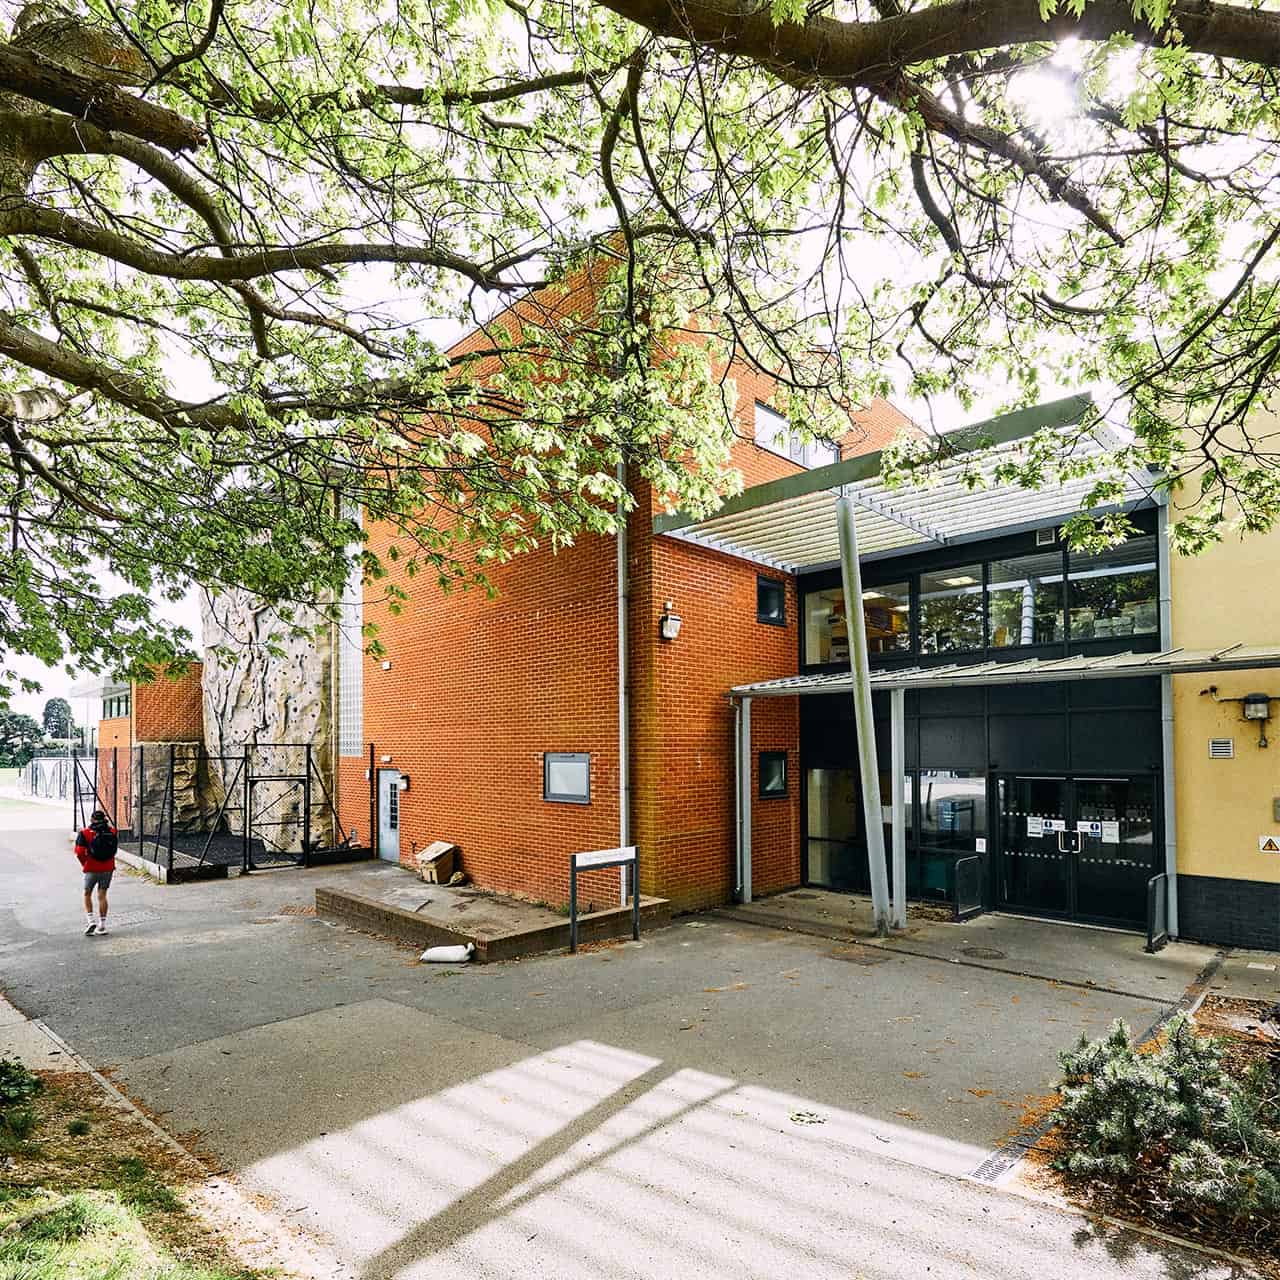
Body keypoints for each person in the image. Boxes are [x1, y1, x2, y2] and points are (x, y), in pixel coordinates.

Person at [75, 809, 118, 936]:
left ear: (92, 820)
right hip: (108, 868)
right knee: (102, 895)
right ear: (104, 819)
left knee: (87, 894)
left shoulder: (85, 833)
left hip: (92, 868)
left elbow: (79, 852)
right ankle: (102, 926)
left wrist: (85, 864)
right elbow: (114, 849)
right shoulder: (113, 831)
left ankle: (90, 920)